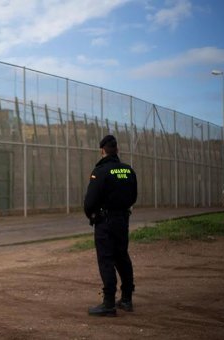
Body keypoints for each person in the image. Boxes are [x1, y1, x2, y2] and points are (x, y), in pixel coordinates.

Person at [84, 134, 138, 317]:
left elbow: (90, 201)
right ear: (117, 150)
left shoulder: (100, 171)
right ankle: (127, 298)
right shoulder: (129, 170)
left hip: (105, 221)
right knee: (122, 256)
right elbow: (133, 196)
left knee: (106, 259)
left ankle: (108, 303)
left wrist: (92, 215)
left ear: (102, 151)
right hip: (122, 219)